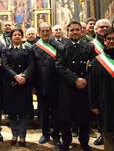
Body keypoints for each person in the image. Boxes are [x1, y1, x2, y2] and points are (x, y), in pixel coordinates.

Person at [55, 21, 95, 151]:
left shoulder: (89, 47)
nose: (75, 32)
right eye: (72, 30)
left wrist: (84, 80)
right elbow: (59, 67)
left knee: (84, 119)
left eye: (77, 30)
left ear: (81, 31)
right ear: (67, 32)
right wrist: (75, 79)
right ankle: (66, 142)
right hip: (67, 87)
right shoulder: (61, 47)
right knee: (65, 118)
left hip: (83, 87)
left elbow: (93, 68)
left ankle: (84, 142)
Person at [1, 28, 34, 147]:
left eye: (19, 35)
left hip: (24, 84)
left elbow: (31, 64)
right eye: (15, 35)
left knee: (23, 112)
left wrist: (23, 76)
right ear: (11, 37)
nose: (17, 37)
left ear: (22, 36)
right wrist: (15, 76)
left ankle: (22, 136)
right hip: (11, 84)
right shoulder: (5, 49)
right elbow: (5, 65)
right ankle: (14, 134)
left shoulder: (28, 49)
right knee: (12, 112)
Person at [32, 22, 61, 146]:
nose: (45, 33)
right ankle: (45, 134)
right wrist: (33, 85)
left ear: (51, 32)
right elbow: (32, 67)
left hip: (56, 84)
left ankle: (56, 135)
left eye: (47, 31)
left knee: (56, 112)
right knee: (43, 112)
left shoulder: (59, 46)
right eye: (42, 31)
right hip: (41, 85)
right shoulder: (35, 47)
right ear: (39, 33)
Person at [88, 27, 114, 151]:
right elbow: (92, 85)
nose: (111, 41)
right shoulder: (98, 61)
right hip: (106, 104)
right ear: (104, 41)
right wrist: (94, 104)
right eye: (109, 39)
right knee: (108, 134)